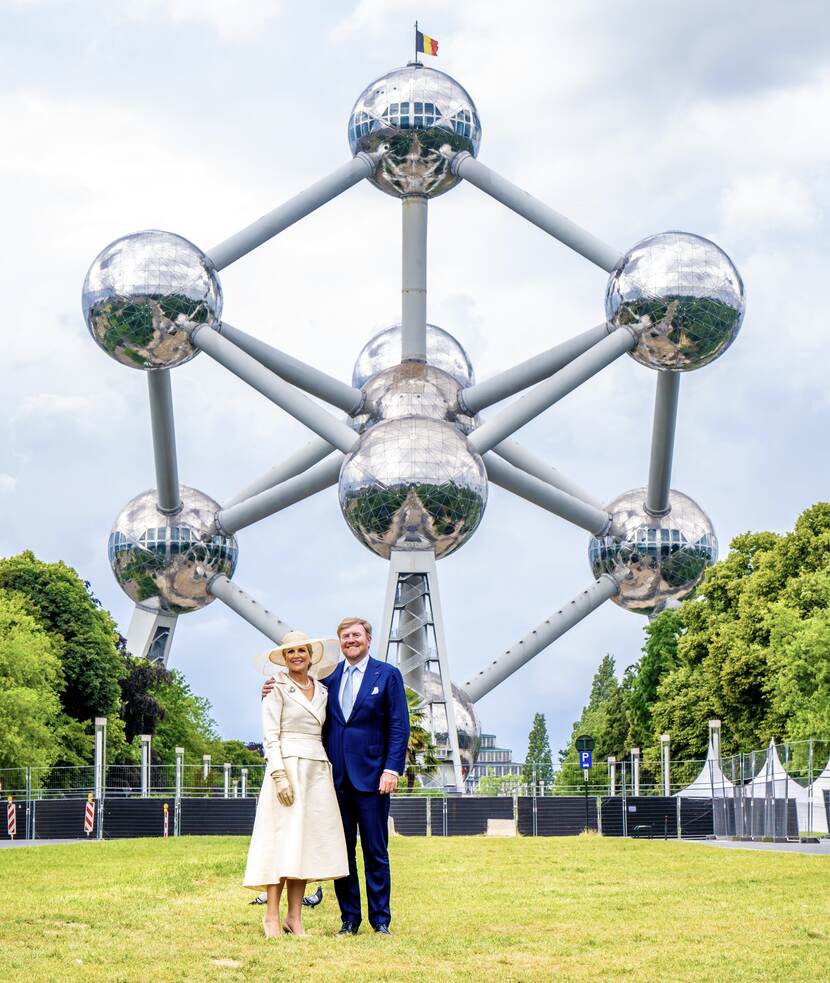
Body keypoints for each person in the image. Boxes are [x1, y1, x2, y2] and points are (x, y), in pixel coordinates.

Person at [263, 616, 409, 936]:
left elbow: (399, 726)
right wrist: (270, 688)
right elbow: (299, 698)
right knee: (341, 853)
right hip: (332, 780)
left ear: (368, 640)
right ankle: (350, 918)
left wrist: (391, 768)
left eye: (356, 635)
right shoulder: (328, 678)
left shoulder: (388, 676)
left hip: (373, 779)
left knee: (375, 851)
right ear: (339, 642)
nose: (350, 641)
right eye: (345, 637)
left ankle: (380, 919)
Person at [244, 630, 347, 938]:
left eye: (302, 650)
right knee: (281, 842)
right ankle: (271, 916)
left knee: (302, 844)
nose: (297, 656)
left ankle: (295, 917)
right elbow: (270, 735)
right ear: (284, 658)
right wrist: (278, 775)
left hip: (316, 771)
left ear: (311, 654)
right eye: (291, 652)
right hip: (287, 767)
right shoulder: (276, 687)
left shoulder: (323, 690)